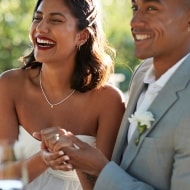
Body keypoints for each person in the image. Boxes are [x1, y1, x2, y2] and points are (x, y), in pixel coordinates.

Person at [37, 0, 190, 189]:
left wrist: (101, 169)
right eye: (135, 8)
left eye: (151, 8)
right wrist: (78, 152)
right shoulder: (142, 74)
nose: (134, 22)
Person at [0, 0, 125, 189]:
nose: (41, 28)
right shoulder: (10, 85)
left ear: (82, 36)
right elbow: (4, 178)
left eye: (55, 21)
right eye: (37, 18)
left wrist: (73, 153)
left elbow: (104, 186)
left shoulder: (109, 101)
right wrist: (45, 158)